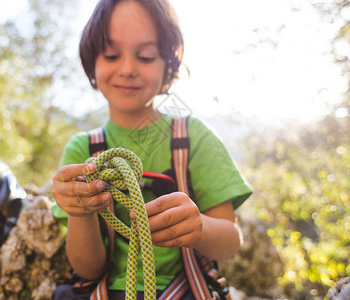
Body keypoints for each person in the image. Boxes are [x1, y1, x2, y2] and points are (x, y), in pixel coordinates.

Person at [52, 0, 252, 299]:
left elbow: (229, 240)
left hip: (185, 290)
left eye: (145, 57)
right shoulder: (83, 150)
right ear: (92, 61)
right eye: (111, 55)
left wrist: (199, 228)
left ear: (167, 65)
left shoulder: (193, 137)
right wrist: (80, 213)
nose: (128, 69)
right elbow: (88, 269)